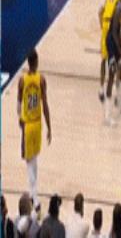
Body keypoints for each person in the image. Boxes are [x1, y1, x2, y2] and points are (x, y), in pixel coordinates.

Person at [17, 49, 51, 213]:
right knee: (33, 160)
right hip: (37, 124)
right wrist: (49, 126)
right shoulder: (41, 80)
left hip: (28, 124)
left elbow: (18, 103)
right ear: (36, 62)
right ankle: (34, 197)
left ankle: (34, 196)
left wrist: (19, 118)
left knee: (30, 162)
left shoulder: (22, 80)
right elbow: (45, 105)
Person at [104, 0, 121, 125]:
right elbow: (113, 33)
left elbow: (118, 30)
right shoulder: (118, 9)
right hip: (111, 43)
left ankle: (119, 101)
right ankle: (107, 116)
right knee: (112, 75)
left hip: (115, 40)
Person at [98, 0, 121, 103]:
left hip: (105, 25)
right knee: (117, 61)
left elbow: (100, 10)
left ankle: (101, 89)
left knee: (104, 59)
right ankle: (117, 93)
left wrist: (101, 26)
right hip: (113, 27)